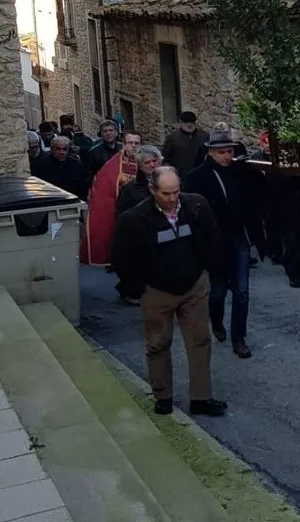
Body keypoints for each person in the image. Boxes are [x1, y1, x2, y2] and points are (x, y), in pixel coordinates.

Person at [111, 167, 227, 417]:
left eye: (176, 192)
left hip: (194, 285)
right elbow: (121, 257)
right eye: (166, 193)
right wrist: (139, 289)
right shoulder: (134, 219)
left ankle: (201, 397)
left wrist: (207, 270)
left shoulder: (196, 206)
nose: (173, 198)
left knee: (200, 340)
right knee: (158, 344)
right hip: (156, 290)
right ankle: (163, 396)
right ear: (152, 190)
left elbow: (212, 236)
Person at [185, 132, 263, 359]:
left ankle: (239, 338)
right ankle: (217, 321)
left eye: (230, 151)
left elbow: (257, 192)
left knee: (242, 291)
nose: (227, 156)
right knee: (218, 291)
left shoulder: (240, 171)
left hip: (239, 237)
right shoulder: (198, 176)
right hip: (216, 242)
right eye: (222, 152)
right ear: (210, 152)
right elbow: (191, 211)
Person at [81, 131, 140, 266]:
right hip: (122, 206)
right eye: (130, 143)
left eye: (137, 143)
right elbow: (104, 185)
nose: (133, 146)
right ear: (124, 145)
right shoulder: (113, 164)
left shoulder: (146, 160)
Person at [30, 135, 89, 200]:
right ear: (52, 149)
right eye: (58, 149)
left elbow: (83, 186)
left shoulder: (76, 164)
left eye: (64, 149)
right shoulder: (40, 164)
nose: (62, 152)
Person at [116, 145, 162, 218]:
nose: (152, 165)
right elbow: (123, 217)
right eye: (147, 162)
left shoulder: (171, 181)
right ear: (140, 166)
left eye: (154, 161)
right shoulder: (128, 190)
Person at [162, 111, 210, 179]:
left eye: (192, 122)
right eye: (186, 122)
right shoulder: (172, 138)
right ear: (181, 122)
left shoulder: (205, 137)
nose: (189, 125)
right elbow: (166, 159)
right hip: (180, 177)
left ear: (195, 123)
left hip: (201, 176)